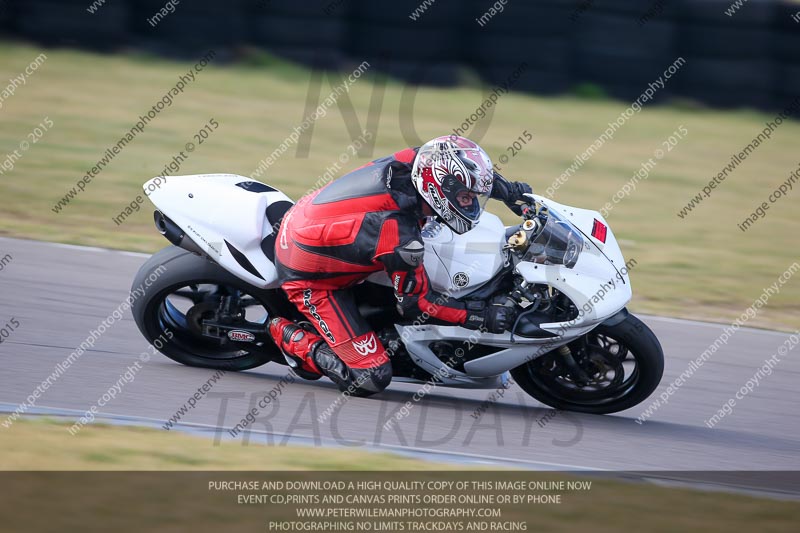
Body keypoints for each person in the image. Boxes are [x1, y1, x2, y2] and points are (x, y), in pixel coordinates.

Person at [269, 135, 532, 396]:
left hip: (315, 221)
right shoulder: (399, 236)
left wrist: (508, 192)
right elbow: (416, 304)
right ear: (440, 190)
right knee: (370, 377)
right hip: (311, 279)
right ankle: (284, 333)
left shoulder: (417, 161)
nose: (471, 203)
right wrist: (477, 315)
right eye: (465, 197)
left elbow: (456, 168)